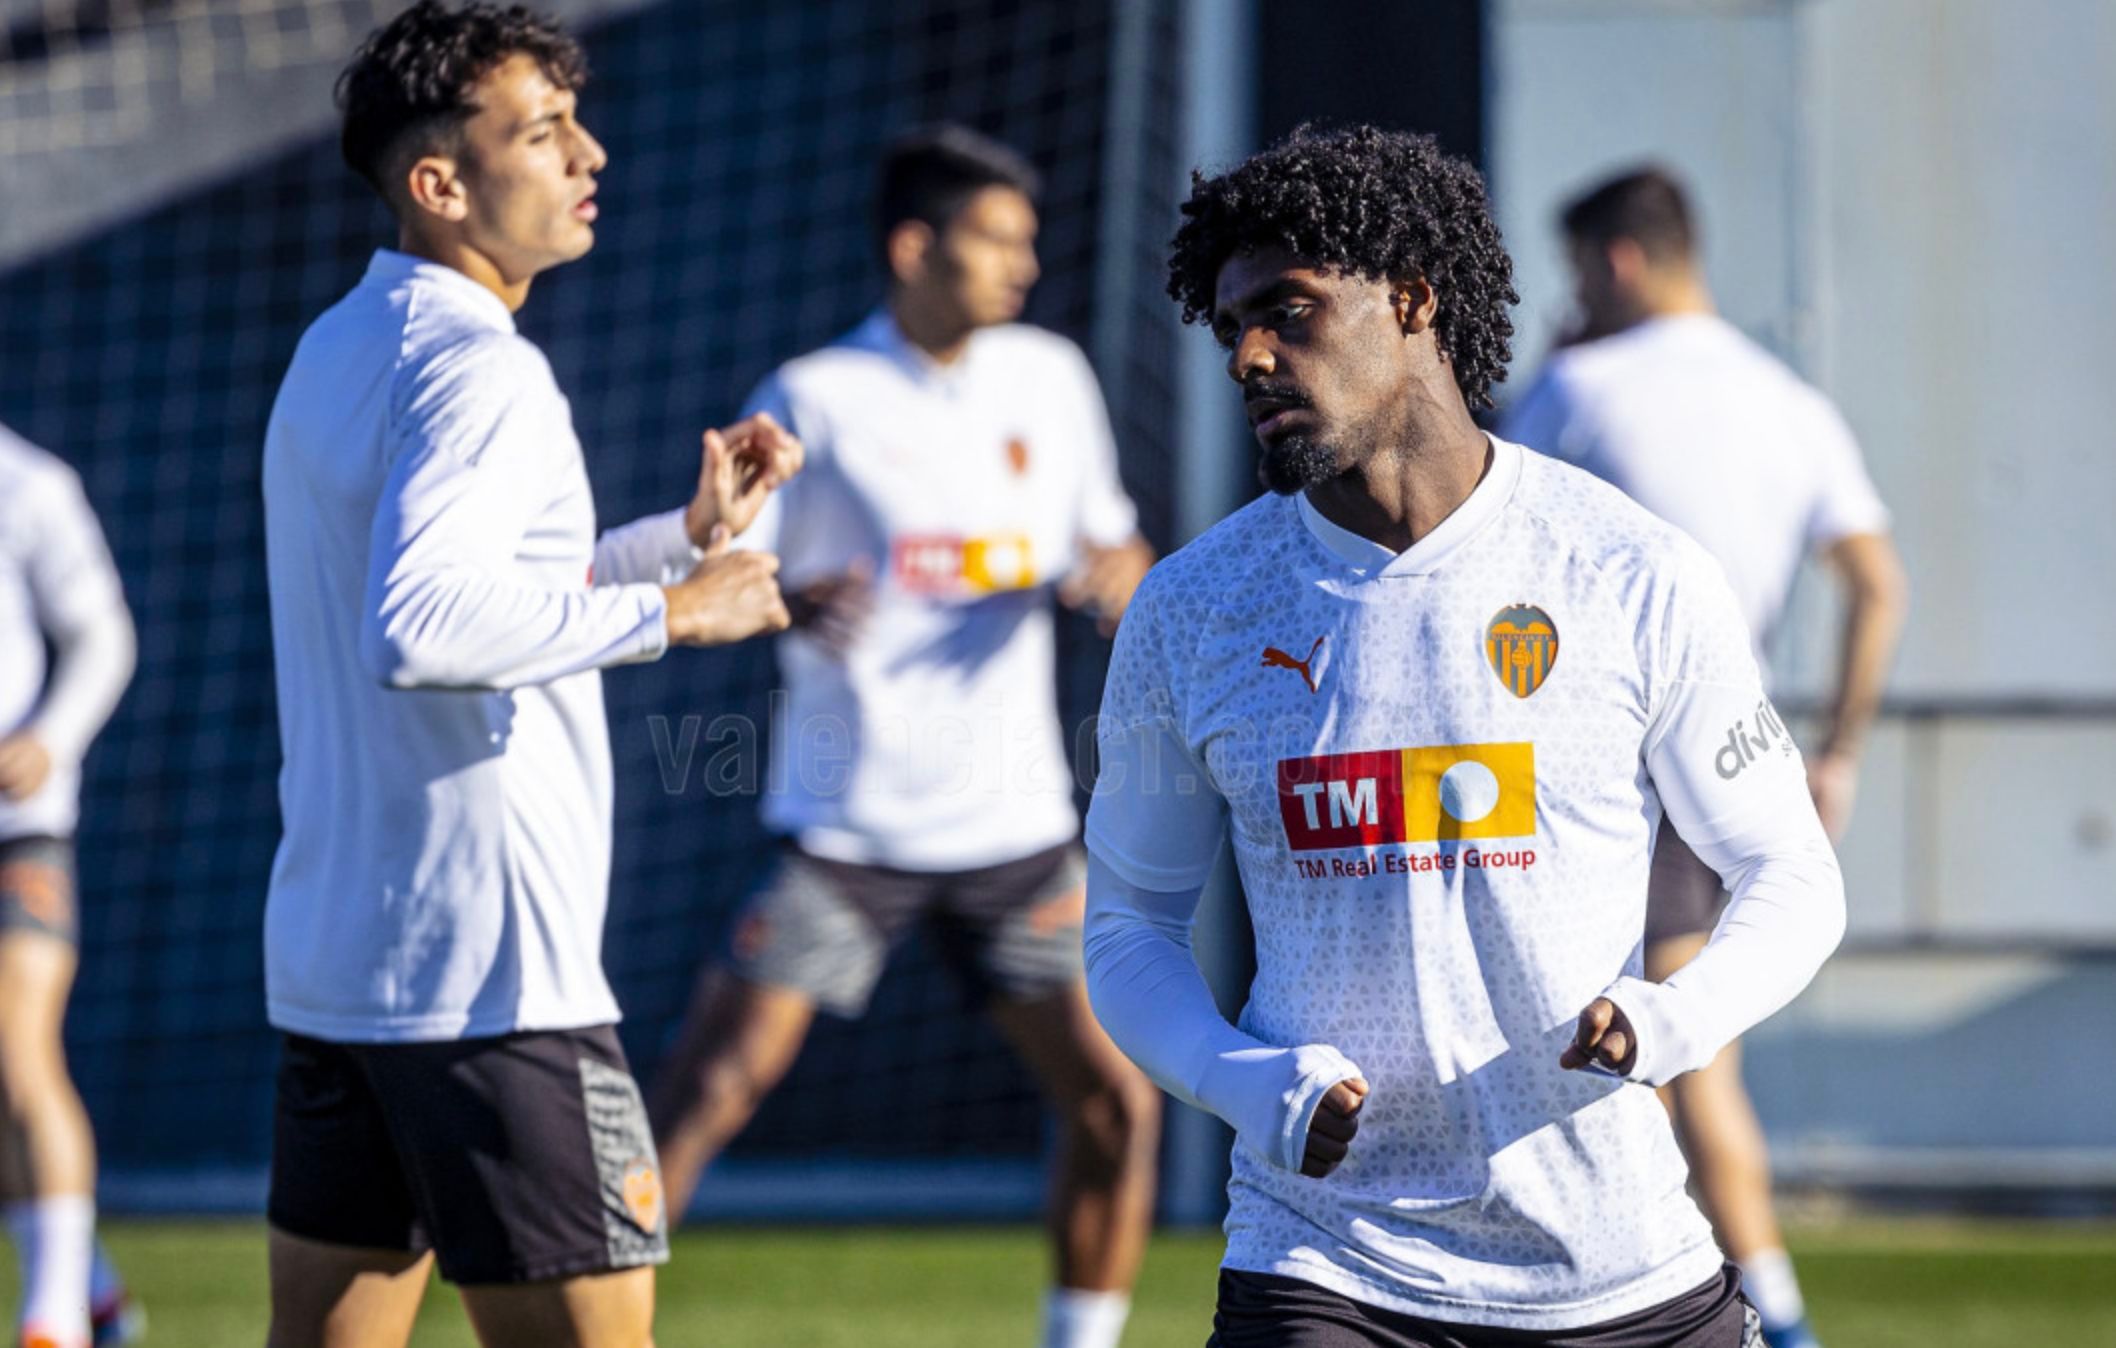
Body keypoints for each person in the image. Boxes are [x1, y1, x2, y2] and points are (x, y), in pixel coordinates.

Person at [1084, 123, 1849, 1347]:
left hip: (1618, 1267)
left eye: (1286, 310)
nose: (1249, 356)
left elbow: (1793, 873)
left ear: (1413, 299)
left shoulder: (1629, 571)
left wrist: (1673, 1019)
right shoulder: (1192, 609)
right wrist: (1236, 1078)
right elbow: (1129, 926)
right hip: (1321, 1259)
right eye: (1230, 326)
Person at [259, 5, 798, 1345]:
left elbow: (485, 589)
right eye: (546, 132)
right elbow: (421, 628)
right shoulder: (481, 369)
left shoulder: (341, 345)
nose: (589, 154)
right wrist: (676, 612)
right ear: (440, 185)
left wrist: (678, 542)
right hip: (495, 985)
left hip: (348, 968)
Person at [647, 124, 1161, 1348]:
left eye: (1029, 242)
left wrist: (1113, 578)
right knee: (710, 1091)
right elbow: (711, 568)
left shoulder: (1050, 375)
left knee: (1116, 1103)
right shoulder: (813, 395)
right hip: (851, 826)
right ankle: (586, 1327)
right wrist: (788, 592)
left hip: (1014, 831)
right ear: (914, 247)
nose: (1023, 265)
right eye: (996, 241)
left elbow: (1121, 548)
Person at [1500, 166, 1908, 1348]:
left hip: (1603, 775)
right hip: (1735, 761)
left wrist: (1539, 375)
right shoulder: (1791, 403)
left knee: (1667, 1060)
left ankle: (1777, 1320)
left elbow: (1473, 523)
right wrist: (1835, 753)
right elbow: (1877, 583)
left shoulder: (1576, 387)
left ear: (1615, 261)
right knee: (1677, 1049)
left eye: (1577, 272)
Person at [0, 424, 141, 1348]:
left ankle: (54, 1322)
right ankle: (89, 1285)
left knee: (16, 1043)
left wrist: (48, 739)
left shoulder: (27, 484)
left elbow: (103, 635)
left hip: (21, 823)